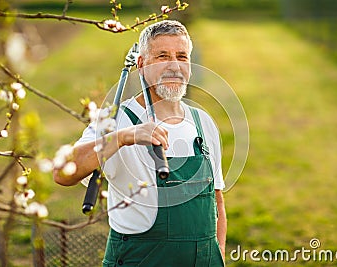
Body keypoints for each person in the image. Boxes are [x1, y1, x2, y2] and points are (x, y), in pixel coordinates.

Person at [53, 20, 227, 267]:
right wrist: (125, 137)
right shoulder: (116, 120)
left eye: (181, 56)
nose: (174, 66)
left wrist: (218, 255)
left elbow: (217, 201)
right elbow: (62, 173)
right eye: (162, 56)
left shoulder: (203, 122)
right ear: (141, 64)